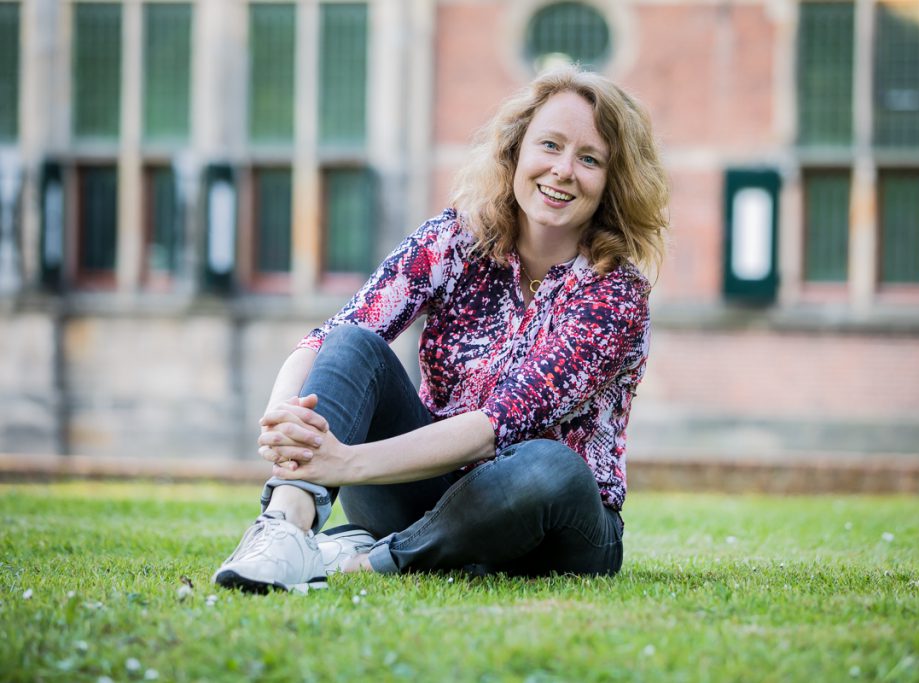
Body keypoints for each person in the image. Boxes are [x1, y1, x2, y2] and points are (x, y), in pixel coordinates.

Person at [212, 66, 670, 592]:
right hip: (427, 484)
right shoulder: (454, 240)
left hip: (555, 520)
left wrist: (347, 461)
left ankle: (374, 556)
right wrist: (283, 418)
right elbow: (333, 336)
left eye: (590, 159)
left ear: (613, 181)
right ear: (516, 149)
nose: (563, 170)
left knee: (549, 465)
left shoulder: (614, 293)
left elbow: (498, 426)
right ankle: (285, 529)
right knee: (354, 344)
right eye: (551, 145)